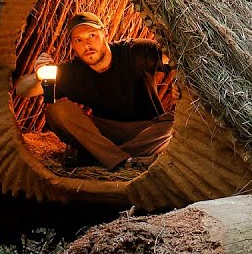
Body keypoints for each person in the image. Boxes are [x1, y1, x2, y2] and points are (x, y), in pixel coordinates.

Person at [15, 12, 173, 170]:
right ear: (72, 44)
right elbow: (23, 90)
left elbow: (172, 56)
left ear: (105, 34)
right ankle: (122, 161)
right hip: (102, 137)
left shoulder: (134, 50)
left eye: (92, 35)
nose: (87, 45)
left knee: (174, 123)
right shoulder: (73, 71)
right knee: (57, 110)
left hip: (147, 132)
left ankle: (98, 159)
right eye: (79, 40)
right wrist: (38, 75)